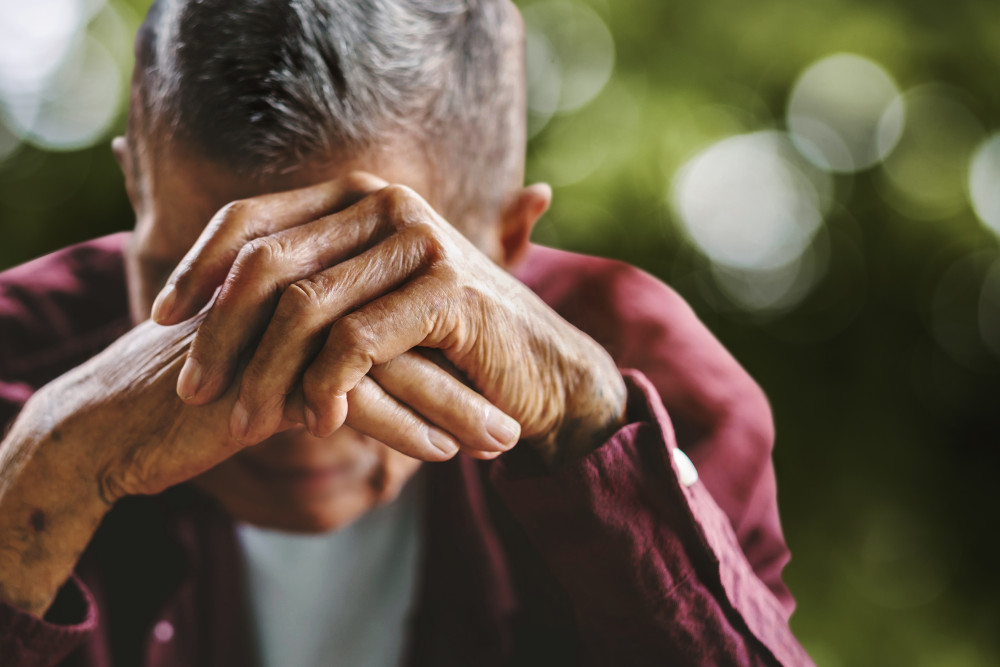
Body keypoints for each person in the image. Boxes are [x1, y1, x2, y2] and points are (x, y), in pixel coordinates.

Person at [0, 0, 813, 665]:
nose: (286, 413)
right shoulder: (17, 363)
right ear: (134, 194)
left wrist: (585, 428)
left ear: (506, 247)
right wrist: (38, 478)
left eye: (375, 296)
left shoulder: (655, 391)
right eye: (210, 294)